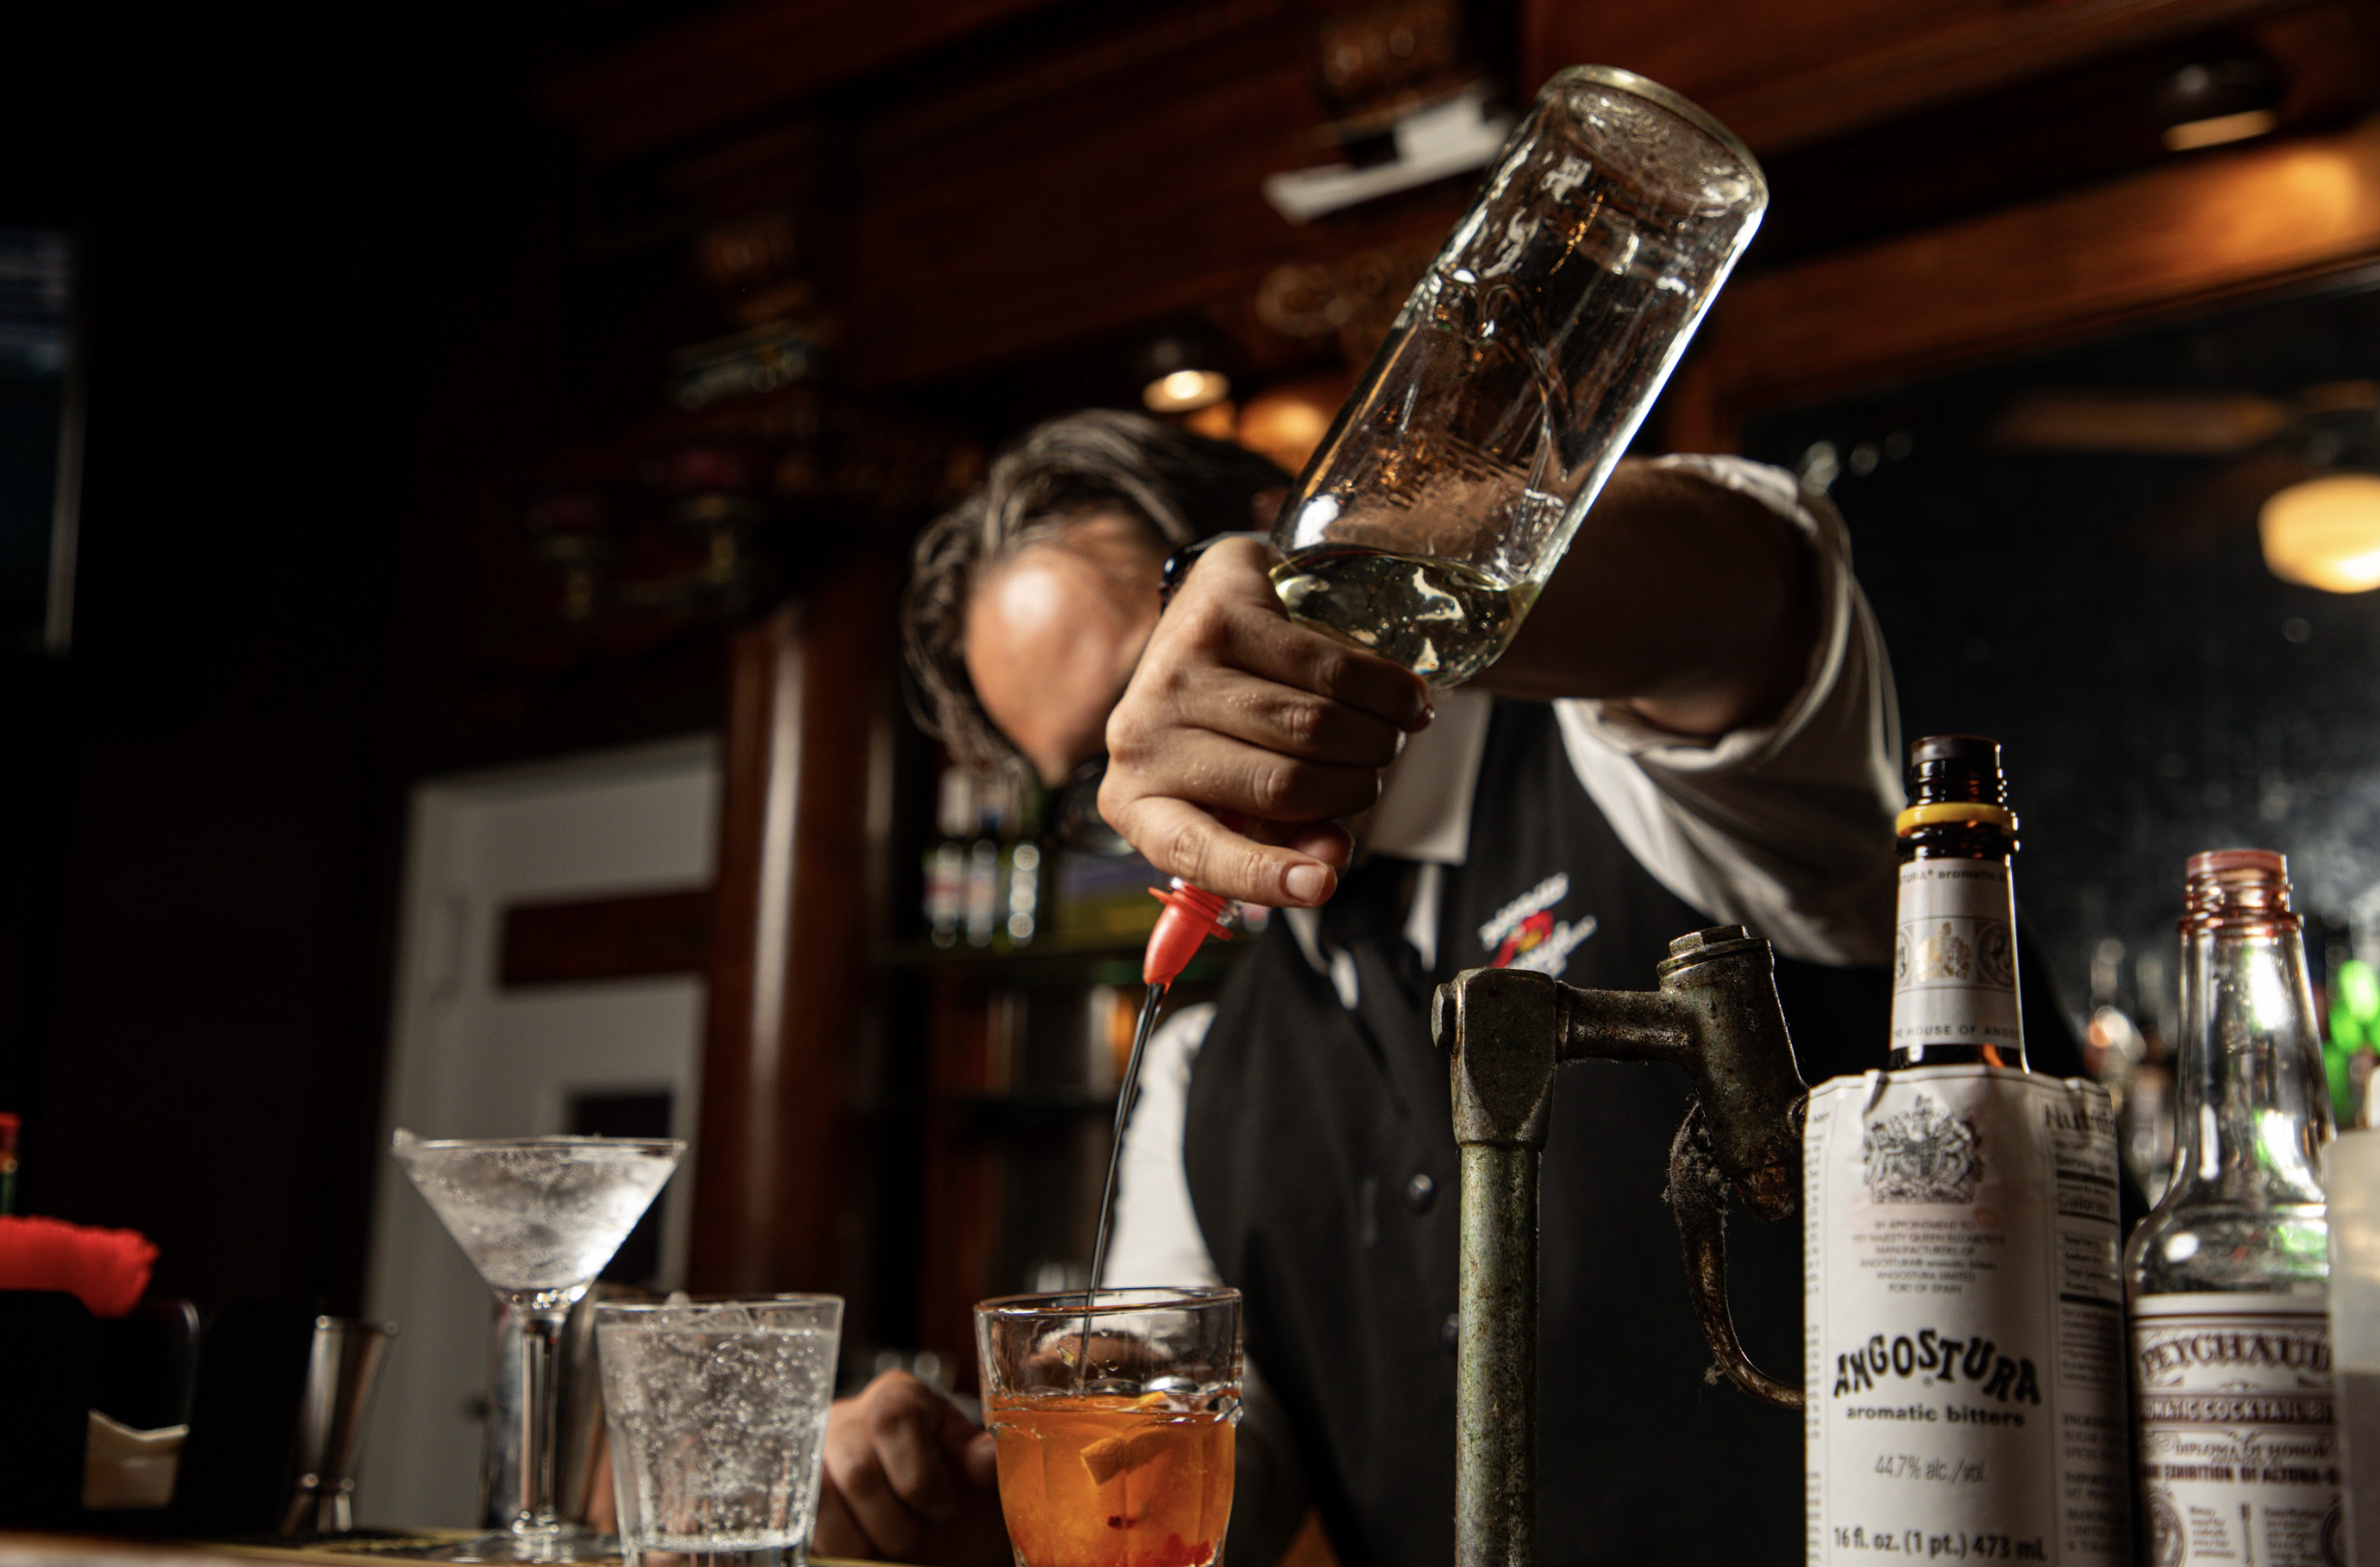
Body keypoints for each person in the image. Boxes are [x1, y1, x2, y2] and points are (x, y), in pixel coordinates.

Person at [822, 411, 2075, 1567]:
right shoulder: (1199, 1063)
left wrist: (1361, 580)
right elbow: (1214, 1461)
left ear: (1270, 534)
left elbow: (1757, 595)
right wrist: (980, 1490)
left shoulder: (1640, 763)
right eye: (1092, 766)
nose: (1142, 774)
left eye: (1140, 688)